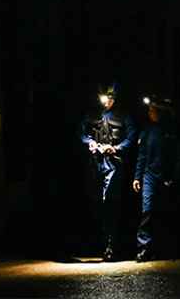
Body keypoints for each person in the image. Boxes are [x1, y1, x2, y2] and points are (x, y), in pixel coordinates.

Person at [80, 82, 137, 261]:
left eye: (109, 99)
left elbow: (132, 136)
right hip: (94, 164)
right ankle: (100, 240)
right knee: (96, 203)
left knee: (111, 202)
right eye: (103, 99)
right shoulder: (91, 115)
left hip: (113, 164)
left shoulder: (123, 117)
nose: (106, 103)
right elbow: (80, 132)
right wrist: (89, 144)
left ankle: (111, 244)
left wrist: (117, 148)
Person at [133, 95, 180, 262]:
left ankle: (175, 246)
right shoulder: (147, 130)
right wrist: (137, 177)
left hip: (168, 176)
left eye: (153, 110)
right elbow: (142, 155)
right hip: (150, 176)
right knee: (147, 210)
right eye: (149, 110)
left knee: (171, 212)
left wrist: (177, 175)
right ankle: (145, 247)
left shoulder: (174, 130)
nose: (150, 113)